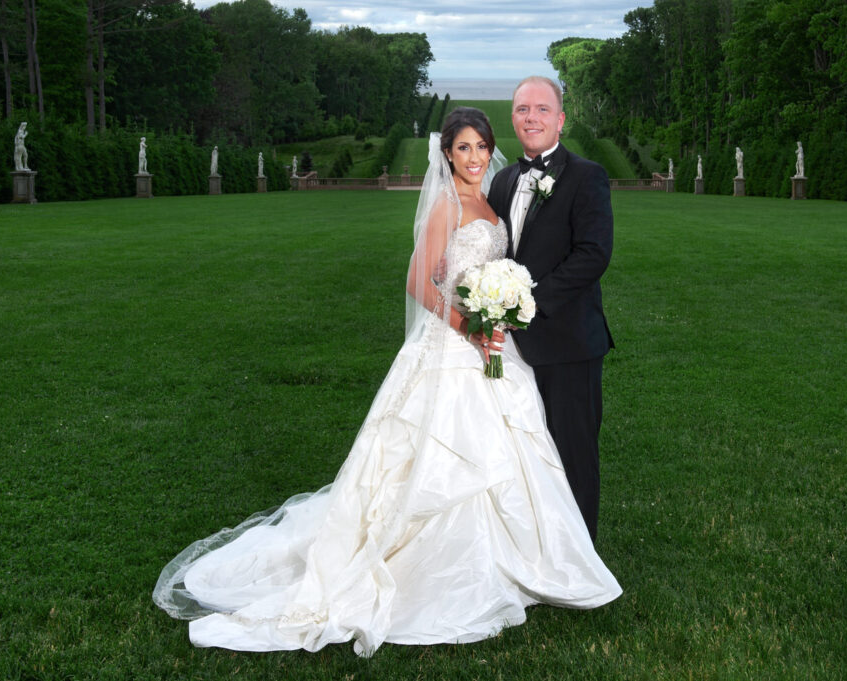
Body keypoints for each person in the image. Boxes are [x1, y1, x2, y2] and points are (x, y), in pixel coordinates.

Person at [152, 106, 620, 658]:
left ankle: (525, 556)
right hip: (453, 347)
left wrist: (498, 307)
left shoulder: (492, 198)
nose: (474, 157)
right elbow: (421, 281)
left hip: (495, 348)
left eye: (480, 147)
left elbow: (479, 268)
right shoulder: (448, 205)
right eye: (463, 147)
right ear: (446, 152)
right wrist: (471, 327)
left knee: (511, 446)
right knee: (434, 456)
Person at [486, 76, 614, 541]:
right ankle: (536, 550)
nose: (531, 117)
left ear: (560, 119)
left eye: (542, 109)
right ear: (513, 119)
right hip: (513, 349)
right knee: (526, 450)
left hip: (568, 342)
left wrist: (529, 301)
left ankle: (580, 560)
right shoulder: (501, 181)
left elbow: (593, 254)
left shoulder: (586, 176)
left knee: (573, 452)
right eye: (522, 109)